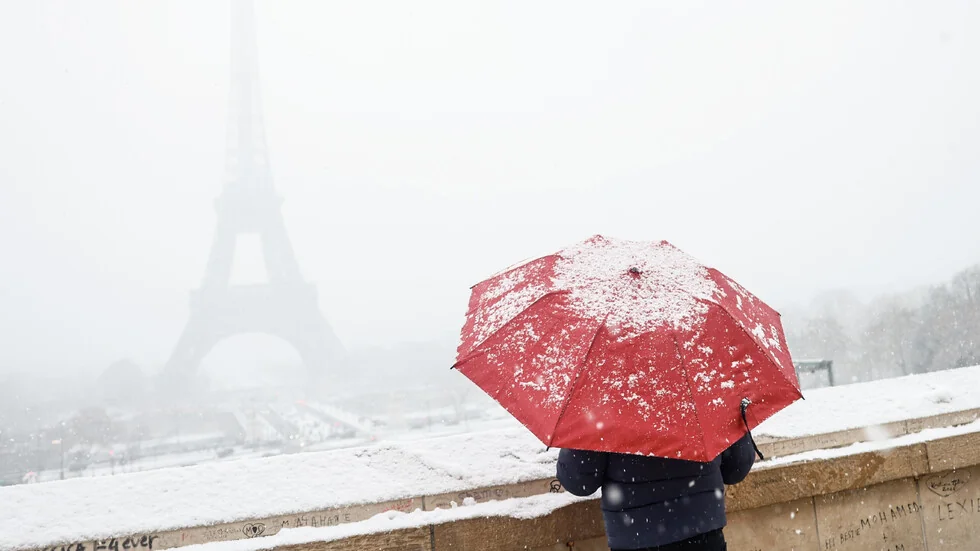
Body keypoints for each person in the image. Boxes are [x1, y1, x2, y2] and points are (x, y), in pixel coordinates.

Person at [556, 432, 757, 551]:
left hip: (635, 537)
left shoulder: (605, 392)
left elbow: (578, 481)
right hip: (704, 533)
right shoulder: (706, 378)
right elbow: (737, 466)